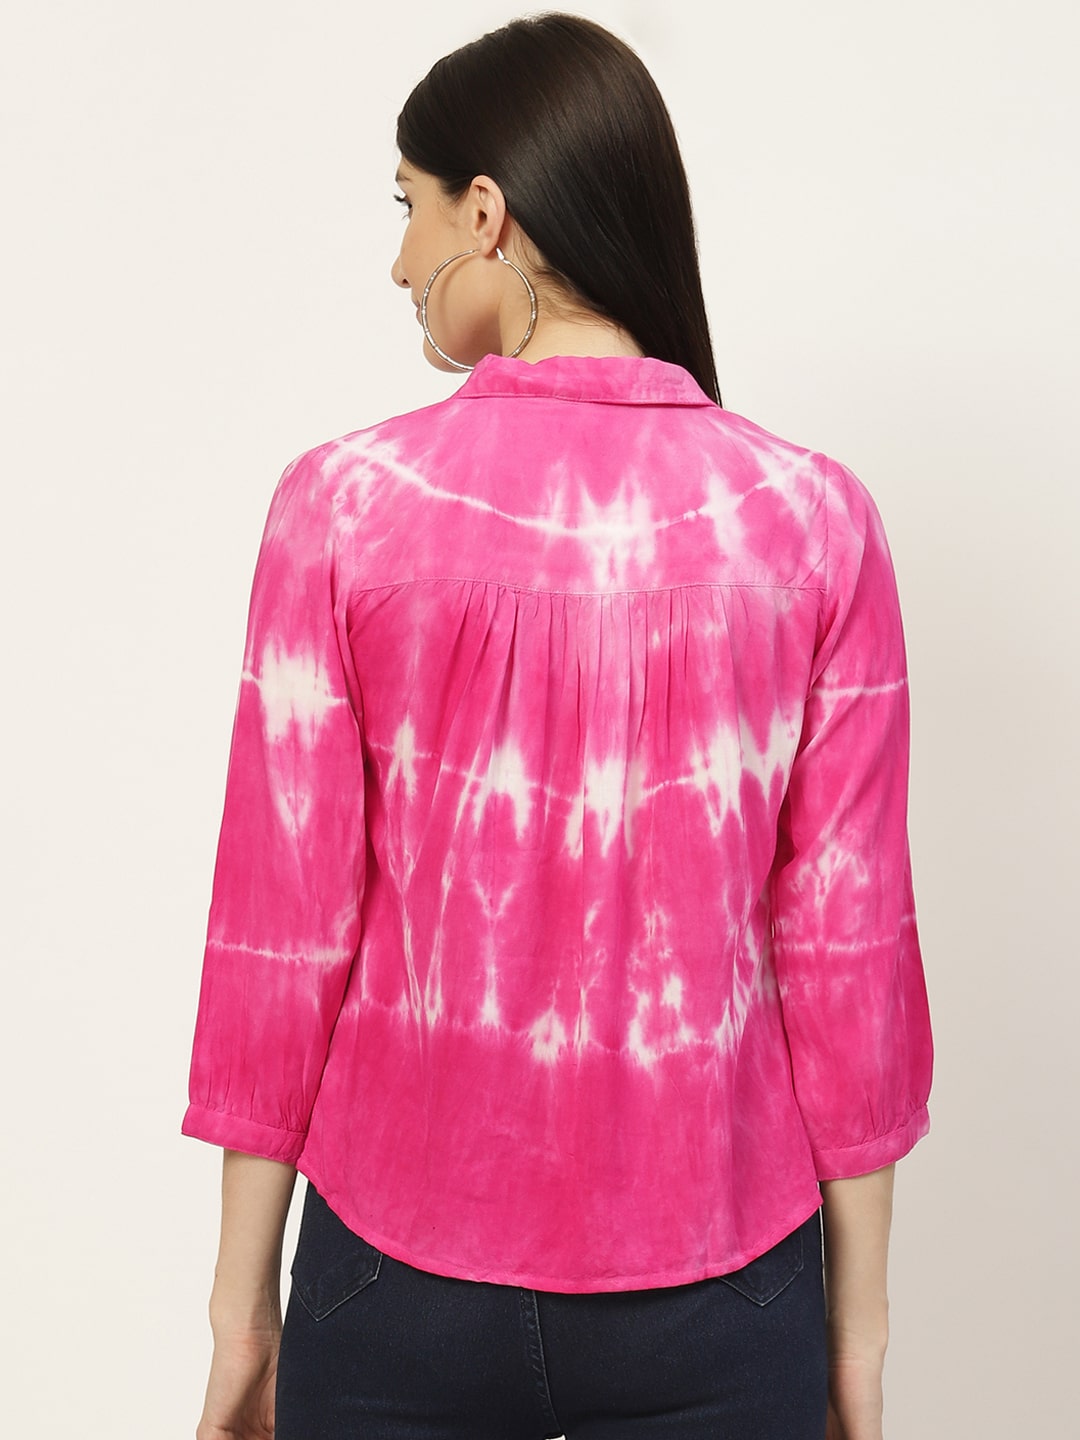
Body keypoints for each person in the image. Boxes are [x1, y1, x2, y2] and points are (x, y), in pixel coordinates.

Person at [183, 13, 933, 1440]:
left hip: (392, 1281)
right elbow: (850, 956)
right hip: (724, 1287)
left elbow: (280, 934)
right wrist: (860, 1332)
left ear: (487, 213)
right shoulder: (815, 521)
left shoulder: (340, 507)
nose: (398, 261)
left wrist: (240, 1308)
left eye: (407, 208)